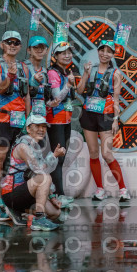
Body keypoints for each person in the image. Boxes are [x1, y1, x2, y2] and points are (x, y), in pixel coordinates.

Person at [77, 40, 130, 202]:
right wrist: (85, 73)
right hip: (88, 114)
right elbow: (79, 90)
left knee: (106, 153)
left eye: (109, 51)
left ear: (113, 54)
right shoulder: (91, 69)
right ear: (98, 51)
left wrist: (115, 120)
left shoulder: (116, 73)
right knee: (93, 153)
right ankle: (100, 189)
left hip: (106, 115)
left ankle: (123, 190)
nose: (105, 54)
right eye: (102, 50)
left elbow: (116, 99)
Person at [0, 30, 31, 221]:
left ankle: (16, 201)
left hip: (20, 121)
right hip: (1, 119)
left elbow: (26, 94)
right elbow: (0, 87)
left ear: (20, 46)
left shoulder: (24, 67)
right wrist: (11, 77)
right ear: (2, 44)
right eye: (9, 42)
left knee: (20, 162)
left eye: (16, 42)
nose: (12, 45)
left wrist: (29, 120)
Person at [1, 114, 64, 231]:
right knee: (44, 177)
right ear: (28, 129)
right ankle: (39, 219)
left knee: (55, 213)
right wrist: (54, 155)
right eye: (37, 126)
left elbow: (38, 172)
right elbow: (40, 170)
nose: (41, 129)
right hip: (11, 194)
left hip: (25, 192)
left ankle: (20, 211)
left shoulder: (34, 145)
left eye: (44, 127)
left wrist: (52, 197)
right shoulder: (23, 146)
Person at [46, 41, 78, 208]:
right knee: (57, 157)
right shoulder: (53, 73)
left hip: (65, 119)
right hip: (55, 120)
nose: (67, 55)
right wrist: (68, 85)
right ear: (56, 56)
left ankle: (58, 193)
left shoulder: (65, 72)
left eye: (69, 52)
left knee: (61, 157)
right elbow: (57, 97)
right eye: (63, 53)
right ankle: (58, 195)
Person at [24, 36, 51, 117]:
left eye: (42, 48)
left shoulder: (45, 71)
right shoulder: (22, 67)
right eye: (36, 47)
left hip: (41, 115)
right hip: (24, 115)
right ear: (29, 50)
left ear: (46, 51)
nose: (39, 50)